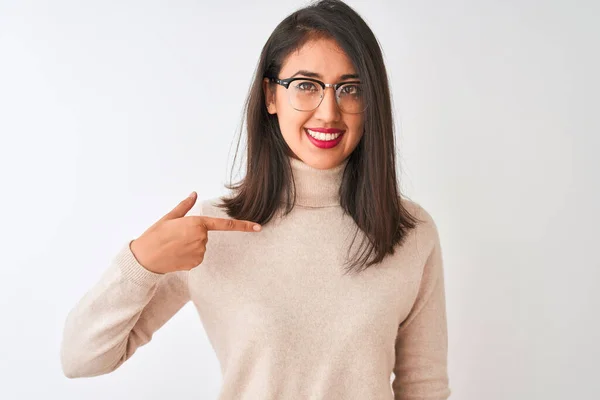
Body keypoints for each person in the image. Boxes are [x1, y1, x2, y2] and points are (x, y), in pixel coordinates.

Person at [60, 0, 451, 399]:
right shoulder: (210, 232)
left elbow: (424, 387)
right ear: (270, 96)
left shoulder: (410, 231)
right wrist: (140, 262)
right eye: (306, 86)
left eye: (350, 89)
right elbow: (81, 358)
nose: (329, 112)